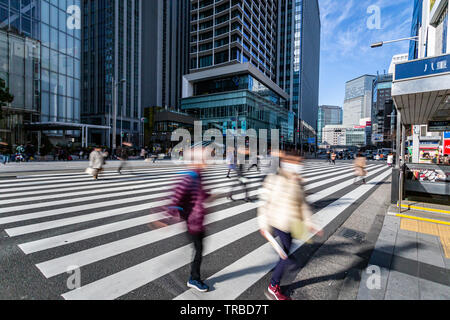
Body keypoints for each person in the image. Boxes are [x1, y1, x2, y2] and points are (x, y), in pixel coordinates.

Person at [258, 151, 323, 300]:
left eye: (300, 163)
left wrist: (310, 223)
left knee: (287, 253)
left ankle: (285, 268)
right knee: (285, 256)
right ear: (289, 164)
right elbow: (263, 203)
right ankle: (273, 286)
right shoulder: (274, 179)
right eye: (297, 163)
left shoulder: (298, 181)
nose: (299, 166)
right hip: (279, 222)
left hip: (293, 223)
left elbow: (303, 204)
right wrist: (263, 225)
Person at [166, 148, 216, 292]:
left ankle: (194, 277)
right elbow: (177, 197)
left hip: (198, 221)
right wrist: (169, 217)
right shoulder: (190, 176)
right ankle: (193, 279)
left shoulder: (198, 175)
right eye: (206, 159)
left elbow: (198, 194)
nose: (208, 162)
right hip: (193, 222)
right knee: (199, 249)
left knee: (199, 249)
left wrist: (209, 195)